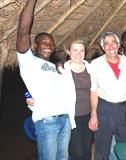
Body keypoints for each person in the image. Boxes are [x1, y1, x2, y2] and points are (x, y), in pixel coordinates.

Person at [16, 0, 71, 159]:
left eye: (51, 43)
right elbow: (23, 30)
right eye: (44, 42)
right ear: (35, 45)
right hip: (47, 122)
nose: (48, 45)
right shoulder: (29, 62)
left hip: (65, 120)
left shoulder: (56, 67)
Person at [62, 40, 93, 160]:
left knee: (87, 150)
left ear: (85, 53)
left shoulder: (91, 68)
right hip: (71, 117)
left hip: (89, 115)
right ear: (68, 52)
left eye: (81, 50)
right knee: (76, 153)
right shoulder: (62, 70)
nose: (78, 53)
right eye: (75, 50)